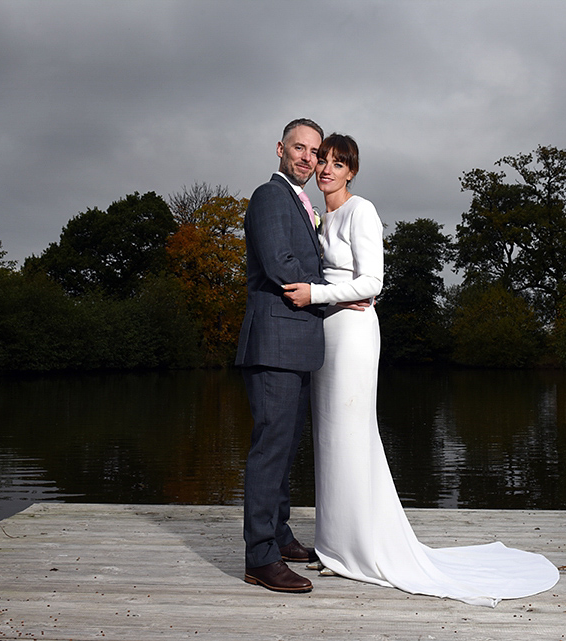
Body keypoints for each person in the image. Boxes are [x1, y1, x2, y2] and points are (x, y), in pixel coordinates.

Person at [283, 133, 560, 606]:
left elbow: (374, 281)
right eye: (322, 160)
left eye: (337, 162)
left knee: (352, 433)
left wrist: (319, 294)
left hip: (352, 334)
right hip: (326, 333)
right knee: (330, 439)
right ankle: (333, 546)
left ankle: (361, 550)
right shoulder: (321, 216)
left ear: (352, 171)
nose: (326, 168)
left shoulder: (360, 210)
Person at [235, 118, 334, 594]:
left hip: (294, 345)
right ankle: (260, 558)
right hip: (274, 342)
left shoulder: (302, 203)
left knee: (285, 448)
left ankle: (280, 533)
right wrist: (338, 294)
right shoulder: (270, 195)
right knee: (270, 449)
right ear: (280, 148)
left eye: (314, 152)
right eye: (299, 147)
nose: (307, 157)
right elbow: (281, 265)